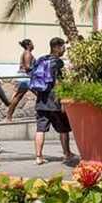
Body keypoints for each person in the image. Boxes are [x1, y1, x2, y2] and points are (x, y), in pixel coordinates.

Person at [33, 37, 76, 165]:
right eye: (63, 47)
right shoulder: (58, 63)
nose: (64, 50)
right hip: (54, 102)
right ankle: (67, 154)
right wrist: (62, 99)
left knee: (40, 129)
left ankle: (38, 157)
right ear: (57, 47)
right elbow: (58, 82)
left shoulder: (42, 60)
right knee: (63, 129)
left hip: (41, 101)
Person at [5, 39, 34, 121]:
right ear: (28, 45)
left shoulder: (25, 53)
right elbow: (28, 67)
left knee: (18, 97)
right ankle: (46, 115)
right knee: (40, 95)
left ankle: (9, 116)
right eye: (32, 44)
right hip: (26, 78)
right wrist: (37, 68)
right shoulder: (28, 53)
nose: (33, 45)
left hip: (23, 77)